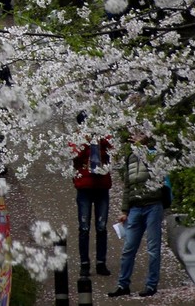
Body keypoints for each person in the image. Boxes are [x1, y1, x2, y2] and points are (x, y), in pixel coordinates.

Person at [109, 130, 167, 298]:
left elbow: (158, 174)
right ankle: (123, 284)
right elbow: (127, 186)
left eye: (140, 134)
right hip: (135, 207)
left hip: (153, 205)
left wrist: (143, 149)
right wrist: (124, 210)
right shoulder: (130, 158)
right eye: (135, 135)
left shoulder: (155, 154)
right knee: (128, 248)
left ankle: (151, 285)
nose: (136, 137)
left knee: (153, 248)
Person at [70, 113, 113, 277]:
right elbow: (75, 156)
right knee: (84, 226)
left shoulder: (104, 136)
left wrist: (101, 139)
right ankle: (84, 263)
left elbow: (112, 151)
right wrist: (85, 142)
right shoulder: (77, 138)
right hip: (84, 187)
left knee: (101, 227)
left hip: (101, 185)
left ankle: (101, 262)